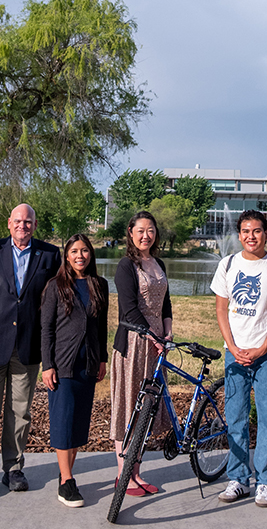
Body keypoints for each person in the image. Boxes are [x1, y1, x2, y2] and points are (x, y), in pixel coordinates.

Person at [0, 204, 61, 498]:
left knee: (20, 411)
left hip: (28, 344)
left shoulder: (50, 255)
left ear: (35, 224)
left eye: (28, 221)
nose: (23, 226)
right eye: (18, 221)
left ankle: (13, 468)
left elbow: (55, 302)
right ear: (8, 224)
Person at [211, 210, 267, 508]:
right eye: (246, 231)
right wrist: (232, 347)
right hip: (235, 354)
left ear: (266, 233)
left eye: (257, 230)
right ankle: (238, 479)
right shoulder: (228, 264)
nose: (251, 236)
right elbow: (222, 310)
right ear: (239, 235)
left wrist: (262, 348)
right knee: (235, 417)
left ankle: (264, 482)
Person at [40, 234, 108, 507]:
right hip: (63, 363)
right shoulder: (55, 286)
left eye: (85, 251)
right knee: (63, 420)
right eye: (74, 251)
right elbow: (46, 330)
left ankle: (66, 472)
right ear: (66, 256)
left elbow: (101, 327)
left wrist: (102, 358)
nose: (80, 256)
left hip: (88, 363)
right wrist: (48, 365)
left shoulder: (99, 285)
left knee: (79, 422)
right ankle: (67, 481)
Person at [110, 211, 173, 495]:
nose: (145, 235)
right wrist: (153, 336)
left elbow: (166, 303)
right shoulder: (125, 266)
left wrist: (167, 331)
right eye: (140, 230)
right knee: (129, 406)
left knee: (146, 410)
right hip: (134, 345)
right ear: (130, 233)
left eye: (150, 230)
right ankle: (122, 475)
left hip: (157, 345)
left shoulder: (158, 263)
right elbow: (129, 308)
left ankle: (137, 473)